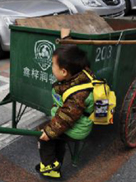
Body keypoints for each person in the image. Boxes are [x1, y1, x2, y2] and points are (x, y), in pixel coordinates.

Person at [36, 45, 94, 179]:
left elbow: (67, 116)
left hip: (77, 128)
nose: (51, 68)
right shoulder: (78, 76)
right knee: (57, 137)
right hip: (73, 123)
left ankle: (49, 167)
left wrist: (49, 132)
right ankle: (57, 163)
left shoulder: (79, 93)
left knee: (42, 133)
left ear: (63, 72)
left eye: (52, 65)